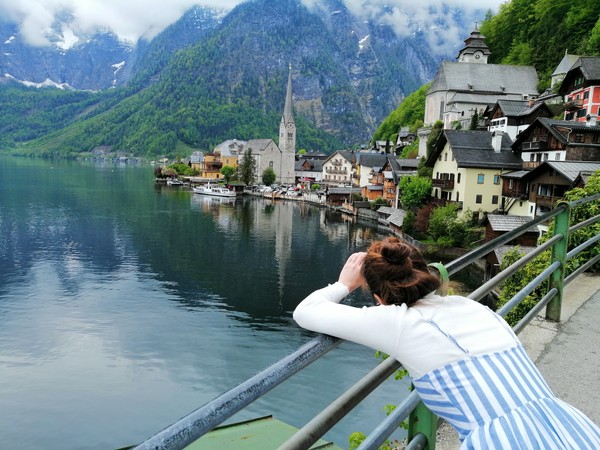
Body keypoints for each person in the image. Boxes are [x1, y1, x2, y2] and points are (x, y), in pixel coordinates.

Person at [293, 237, 600, 449]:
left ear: (378, 298)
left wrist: (343, 284)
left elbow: (305, 312)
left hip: (505, 442)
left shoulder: (397, 322)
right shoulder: (473, 308)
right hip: (567, 427)